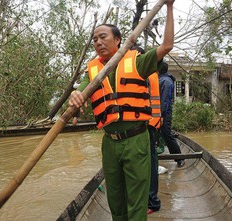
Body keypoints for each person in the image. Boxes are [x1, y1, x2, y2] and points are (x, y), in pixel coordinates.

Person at [68, 1, 174, 220]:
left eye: (103, 37)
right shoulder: (92, 70)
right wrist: (75, 96)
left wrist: (170, 8)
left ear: (118, 40)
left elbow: (167, 46)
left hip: (136, 139)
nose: (98, 42)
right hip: (110, 142)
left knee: (137, 201)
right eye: (95, 39)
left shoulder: (137, 61)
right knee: (115, 199)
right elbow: (81, 91)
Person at [131, 45, 161, 215]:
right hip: (151, 123)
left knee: (149, 164)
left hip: (148, 124)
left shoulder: (146, 74)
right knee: (149, 162)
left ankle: (152, 201)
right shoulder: (152, 74)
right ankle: (148, 199)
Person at [158, 62, 185, 167]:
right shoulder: (162, 79)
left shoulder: (165, 81)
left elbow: (165, 100)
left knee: (167, 134)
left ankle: (179, 158)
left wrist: (161, 115)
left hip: (163, 113)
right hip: (159, 112)